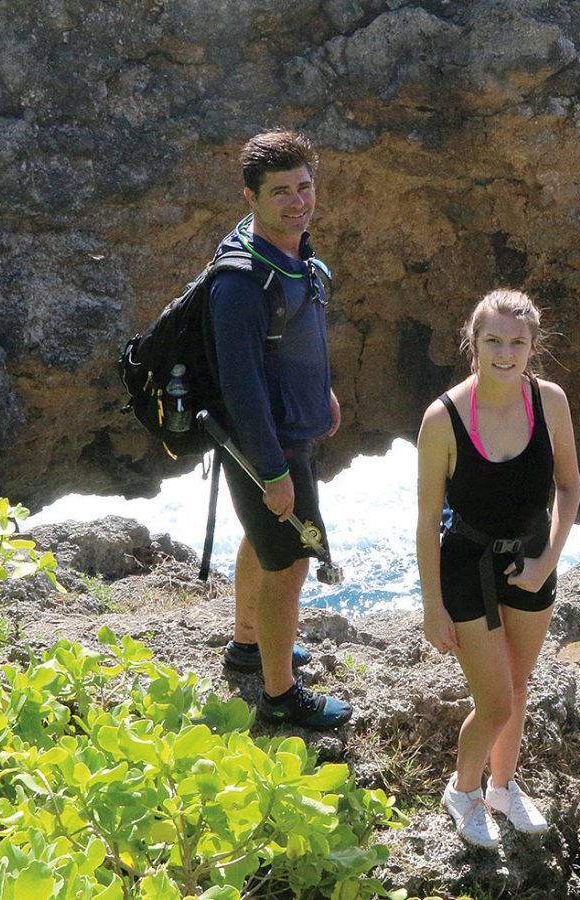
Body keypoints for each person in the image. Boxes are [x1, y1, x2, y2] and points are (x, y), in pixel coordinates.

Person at [416, 290, 580, 850]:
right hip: (467, 564)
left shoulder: (550, 400)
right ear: (474, 341)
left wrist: (546, 562)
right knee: (495, 701)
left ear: (534, 346)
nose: (505, 352)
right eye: (493, 340)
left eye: (517, 341)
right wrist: (433, 609)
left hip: (533, 557)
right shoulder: (444, 417)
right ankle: (463, 791)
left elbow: (568, 485)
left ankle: (503, 787)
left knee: (518, 683)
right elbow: (424, 521)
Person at [210, 129, 351, 730]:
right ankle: (278, 694)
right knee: (291, 562)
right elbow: (242, 388)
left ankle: (248, 644)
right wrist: (272, 471)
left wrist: (321, 394)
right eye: (280, 192)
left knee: (263, 543)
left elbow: (290, 346)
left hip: (291, 429)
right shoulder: (240, 283)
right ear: (250, 197)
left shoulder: (292, 255)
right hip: (266, 445)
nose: (297, 201)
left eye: (304, 186)